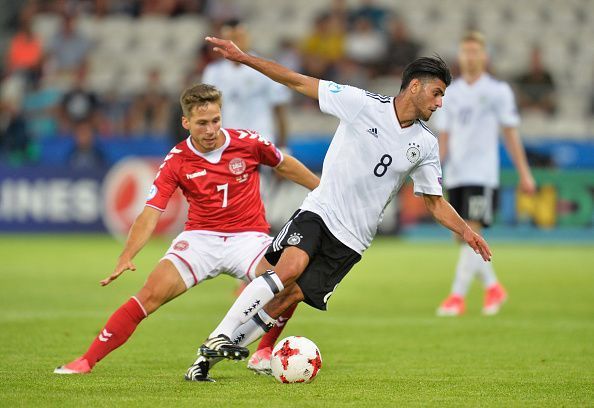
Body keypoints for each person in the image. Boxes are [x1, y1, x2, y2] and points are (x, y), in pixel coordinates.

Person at [185, 35, 492, 381]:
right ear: (415, 86)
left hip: (352, 239)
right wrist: (245, 58)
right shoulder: (360, 103)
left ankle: (206, 361)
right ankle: (220, 337)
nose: (439, 103)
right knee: (288, 269)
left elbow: (434, 202)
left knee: (290, 297)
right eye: (437, 93)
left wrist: (466, 231)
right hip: (321, 210)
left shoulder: (425, 144)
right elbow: (296, 80)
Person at [53, 83, 319, 378]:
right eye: (202, 123)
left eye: (215, 121)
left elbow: (284, 165)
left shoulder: (248, 142)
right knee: (149, 295)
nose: (210, 130)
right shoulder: (177, 160)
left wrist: (321, 190)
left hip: (249, 238)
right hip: (200, 240)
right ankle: (86, 361)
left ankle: (262, 353)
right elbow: (151, 211)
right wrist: (127, 254)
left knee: (292, 283)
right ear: (186, 122)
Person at [434, 32, 536, 317]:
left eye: (475, 51)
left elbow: (511, 134)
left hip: (481, 174)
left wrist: (524, 174)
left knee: (471, 232)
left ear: (484, 56)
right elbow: (444, 137)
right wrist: (435, 172)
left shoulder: (497, 91)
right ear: (460, 55)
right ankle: (493, 287)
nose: (470, 56)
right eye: (465, 51)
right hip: (456, 174)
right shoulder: (450, 93)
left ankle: (456, 296)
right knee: (461, 237)